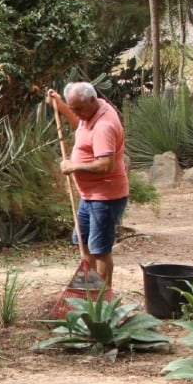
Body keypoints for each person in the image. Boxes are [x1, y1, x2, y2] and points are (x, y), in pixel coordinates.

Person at [46, 82, 129, 289]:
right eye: (73, 108)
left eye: (78, 109)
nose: (77, 113)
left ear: (92, 100)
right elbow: (80, 125)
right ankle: (90, 292)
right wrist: (62, 107)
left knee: (100, 250)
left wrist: (75, 166)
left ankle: (102, 300)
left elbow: (106, 165)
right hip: (90, 195)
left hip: (105, 197)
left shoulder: (104, 126)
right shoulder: (91, 112)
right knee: (83, 243)